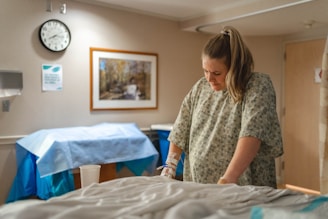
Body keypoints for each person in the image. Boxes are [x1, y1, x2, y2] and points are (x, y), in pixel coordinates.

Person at [160, 26, 283, 188]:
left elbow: (252, 134)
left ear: (236, 67)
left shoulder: (256, 86)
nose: (209, 79)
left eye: (217, 73)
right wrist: (170, 166)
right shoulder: (201, 87)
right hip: (198, 184)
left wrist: (227, 179)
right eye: (205, 71)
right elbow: (181, 128)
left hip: (240, 185)